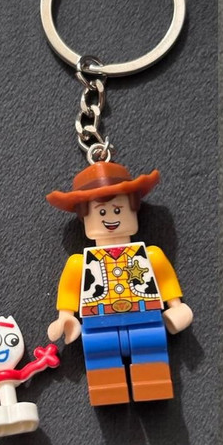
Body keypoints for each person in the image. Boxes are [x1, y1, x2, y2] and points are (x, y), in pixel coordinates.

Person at [47, 162, 193, 406]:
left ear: (133, 210)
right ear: (85, 218)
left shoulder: (151, 255)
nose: (111, 219)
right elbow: (70, 288)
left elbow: (166, 279)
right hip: (97, 322)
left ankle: (152, 388)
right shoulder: (79, 263)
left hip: (145, 318)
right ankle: (109, 392)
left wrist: (176, 306)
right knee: (103, 364)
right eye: (101, 213)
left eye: (118, 210)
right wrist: (65, 317)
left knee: (151, 360)